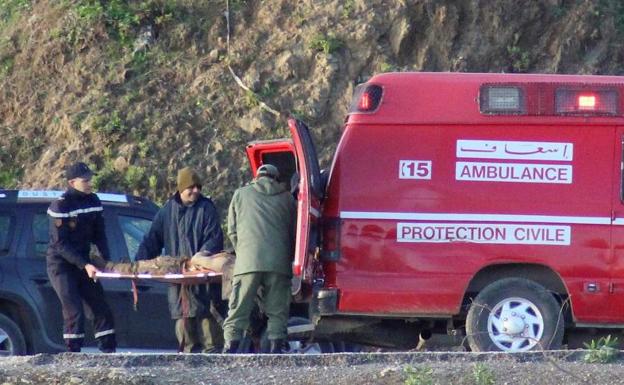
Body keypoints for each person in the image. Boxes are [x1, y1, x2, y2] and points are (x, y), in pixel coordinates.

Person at [136, 167, 225, 353]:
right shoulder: (167, 211)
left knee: (211, 340)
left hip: (204, 284)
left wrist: (200, 257)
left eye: (198, 187)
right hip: (178, 287)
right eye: (190, 187)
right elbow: (152, 240)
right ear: (180, 188)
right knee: (186, 342)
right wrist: (138, 267)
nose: (195, 191)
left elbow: (214, 238)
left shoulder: (207, 208)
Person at [222, 164, 296, 354]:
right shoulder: (288, 198)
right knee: (277, 311)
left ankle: (230, 349)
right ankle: (275, 351)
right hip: (278, 264)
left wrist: (245, 252)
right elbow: (295, 232)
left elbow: (232, 230)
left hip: (248, 262)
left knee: (239, 309)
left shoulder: (240, 194)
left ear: (257, 176)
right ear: (276, 178)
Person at [47, 162, 116, 353]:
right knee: (74, 310)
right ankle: (73, 354)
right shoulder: (60, 205)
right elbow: (60, 244)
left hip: (85, 263)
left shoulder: (93, 201)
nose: (90, 183)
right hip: (61, 265)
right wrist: (85, 264)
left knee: (100, 307)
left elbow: (99, 234)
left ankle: (109, 352)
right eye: (85, 181)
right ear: (72, 182)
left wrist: (106, 260)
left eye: (90, 179)